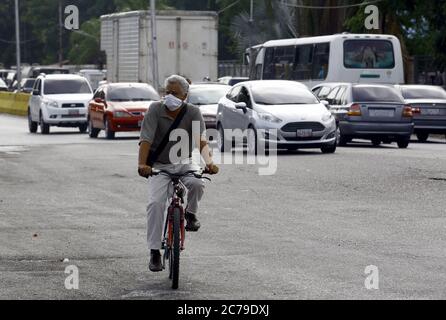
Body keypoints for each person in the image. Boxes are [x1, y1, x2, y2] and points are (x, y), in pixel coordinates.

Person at [138, 75, 219, 272]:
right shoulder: (155, 109)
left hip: (184, 161)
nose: (170, 96)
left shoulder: (192, 112)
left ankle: (190, 214)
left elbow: (201, 140)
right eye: (167, 92)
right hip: (159, 165)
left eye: (175, 93)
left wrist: (209, 163)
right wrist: (142, 164)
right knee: (156, 203)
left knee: (198, 184)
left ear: (185, 95)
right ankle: (154, 252)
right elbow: (146, 139)